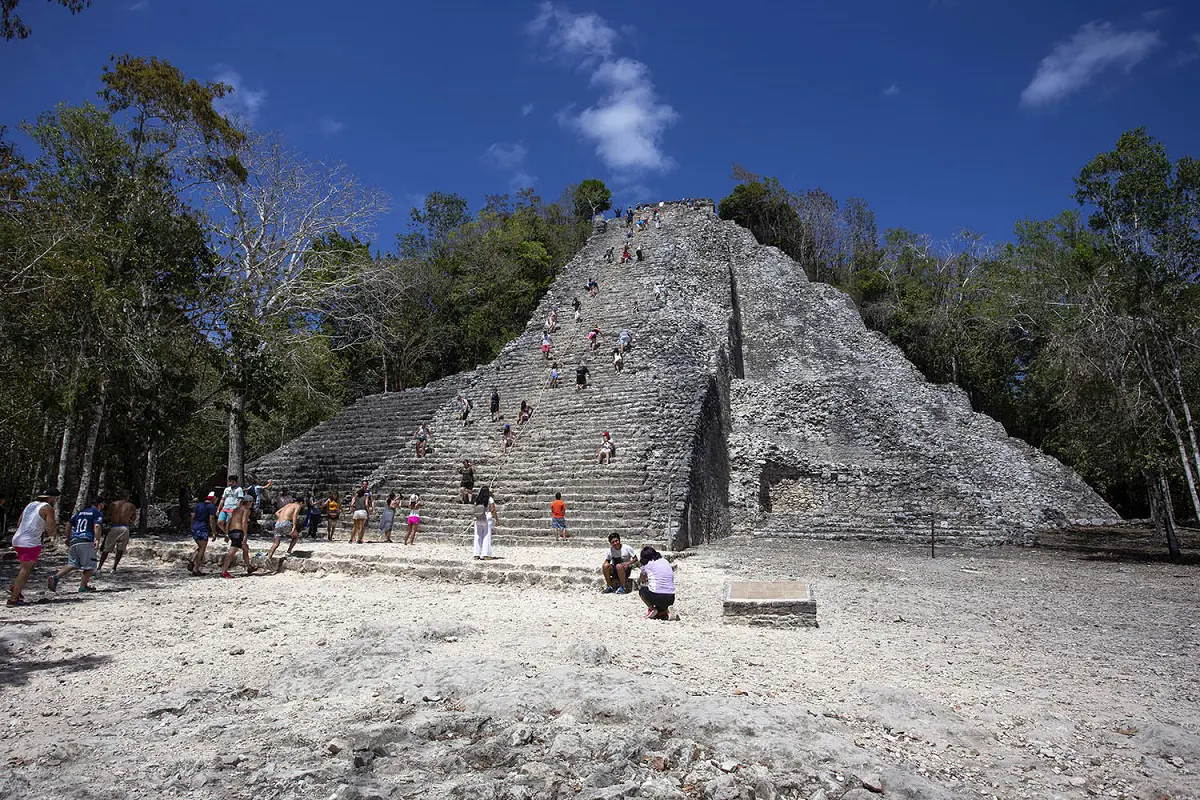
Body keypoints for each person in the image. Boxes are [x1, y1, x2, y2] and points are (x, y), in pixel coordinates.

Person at [7, 489, 58, 606]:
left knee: (29, 566)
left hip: (18, 538)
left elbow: (19, 521)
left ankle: (15, 587)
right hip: (29, 542)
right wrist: (51, 532)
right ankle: (13, 599)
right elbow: (51, 529)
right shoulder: (48, 508)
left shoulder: (30, 505)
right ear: (52, 498)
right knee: (25, 570)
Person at [48, 496, 105, 594]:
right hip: (86, 540)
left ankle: (55, 577)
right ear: (100, 504)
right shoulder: (96, 513)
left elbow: (68, 524)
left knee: (72, 564)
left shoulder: (80, 513)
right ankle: (83, 587)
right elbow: (97, 525)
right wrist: (97, 539)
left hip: (75, 540)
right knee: (90, 565)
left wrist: (68, 537)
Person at [97, 490, 137, 573]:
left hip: (114, 527)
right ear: (128, 497)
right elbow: (133, 519)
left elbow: (107, 515)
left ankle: (99, 568)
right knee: (120, 549)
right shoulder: (131, 506)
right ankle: (114, 568)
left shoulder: (113, 504)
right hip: (124, 528)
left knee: (106, 548)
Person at [220, 496, 256, 578]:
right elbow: (244, 522)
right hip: (238, 532)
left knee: (245, 548)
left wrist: (226, 533)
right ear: (249, 502)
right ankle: (224, 571)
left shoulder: (235, 509)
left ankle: (249, 567)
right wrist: (245, 534)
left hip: (232, 532)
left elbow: (228, 520)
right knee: (232, 552)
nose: (252, 504)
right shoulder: (246, 510)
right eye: (251, 502)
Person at [638, 546, 675, 619]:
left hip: (657, 596)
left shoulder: (647, 565)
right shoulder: (665, 561)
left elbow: (642, 580)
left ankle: (651, 608)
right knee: (659, 614)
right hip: (671, 597)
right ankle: (666, 612)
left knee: (642, 591)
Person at [189, 492, 218, 575]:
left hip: (195, 527)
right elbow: (212, 520)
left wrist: (192, 526)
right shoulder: (212, 507)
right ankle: (196, 569)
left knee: (200, 546)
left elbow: (192, 516)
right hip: (203, 529)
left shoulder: (198, 505)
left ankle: (192, 559)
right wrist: (214, 532)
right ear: (214, 498)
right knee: (202, 549)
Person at [473, 485, 497, 559]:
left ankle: (476, 554)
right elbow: (492, 510)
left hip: (478, 518)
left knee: (478, 535)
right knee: (486, 535)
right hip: (487, 518)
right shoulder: (490, 499)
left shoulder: (477, 499)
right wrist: (496, 518)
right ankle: (485, 554)